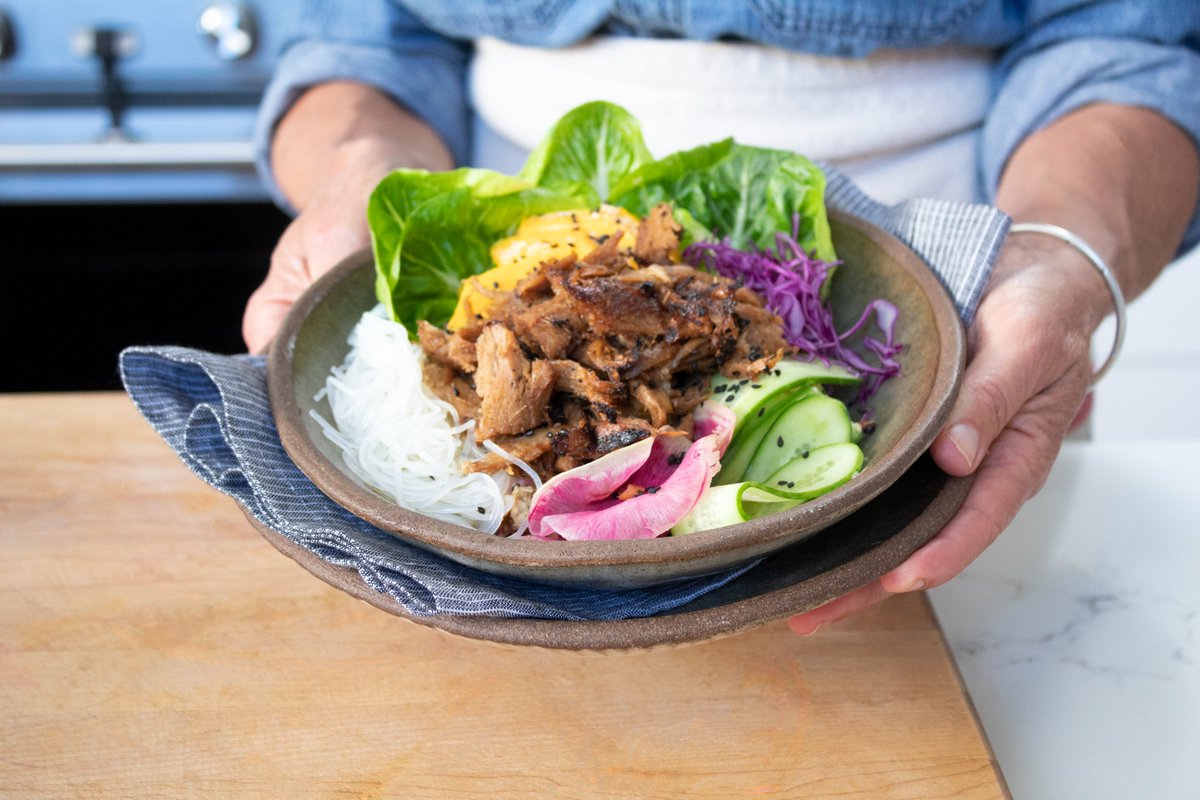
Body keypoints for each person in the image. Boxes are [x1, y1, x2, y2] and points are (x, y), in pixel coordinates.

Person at [242, 1, 1200, 633]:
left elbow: (1130, 44)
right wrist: (357, 173)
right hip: (514, 217)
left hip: (936, 312)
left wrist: (1061, 258)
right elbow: (355, 41)